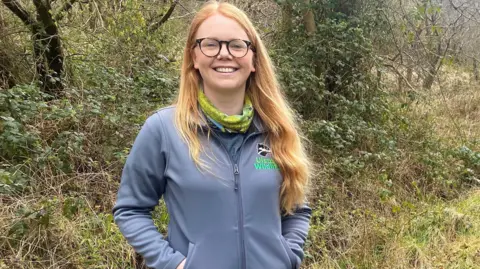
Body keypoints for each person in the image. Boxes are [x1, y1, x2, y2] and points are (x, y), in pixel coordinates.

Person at [112, 1, 312, 269]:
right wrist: (175, 264)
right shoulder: (164, 130)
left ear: (253, 59)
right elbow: (130, 210)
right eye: (210, 44)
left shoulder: (277, 130)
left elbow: (297, 208)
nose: (224, 54)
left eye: (237, 45)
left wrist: (288, 256)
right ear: (194, 57)